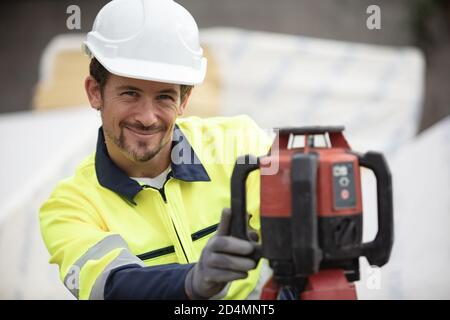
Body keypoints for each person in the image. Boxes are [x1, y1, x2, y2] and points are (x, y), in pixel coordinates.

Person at [39, 0, 273, 300]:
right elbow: (110, 287)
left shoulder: (239, 144)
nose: (147, 117)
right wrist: (192, 281)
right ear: (95, 92)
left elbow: (299, 233)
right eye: (130, 93)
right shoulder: (70, 206)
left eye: (164, 97)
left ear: (184, 101)